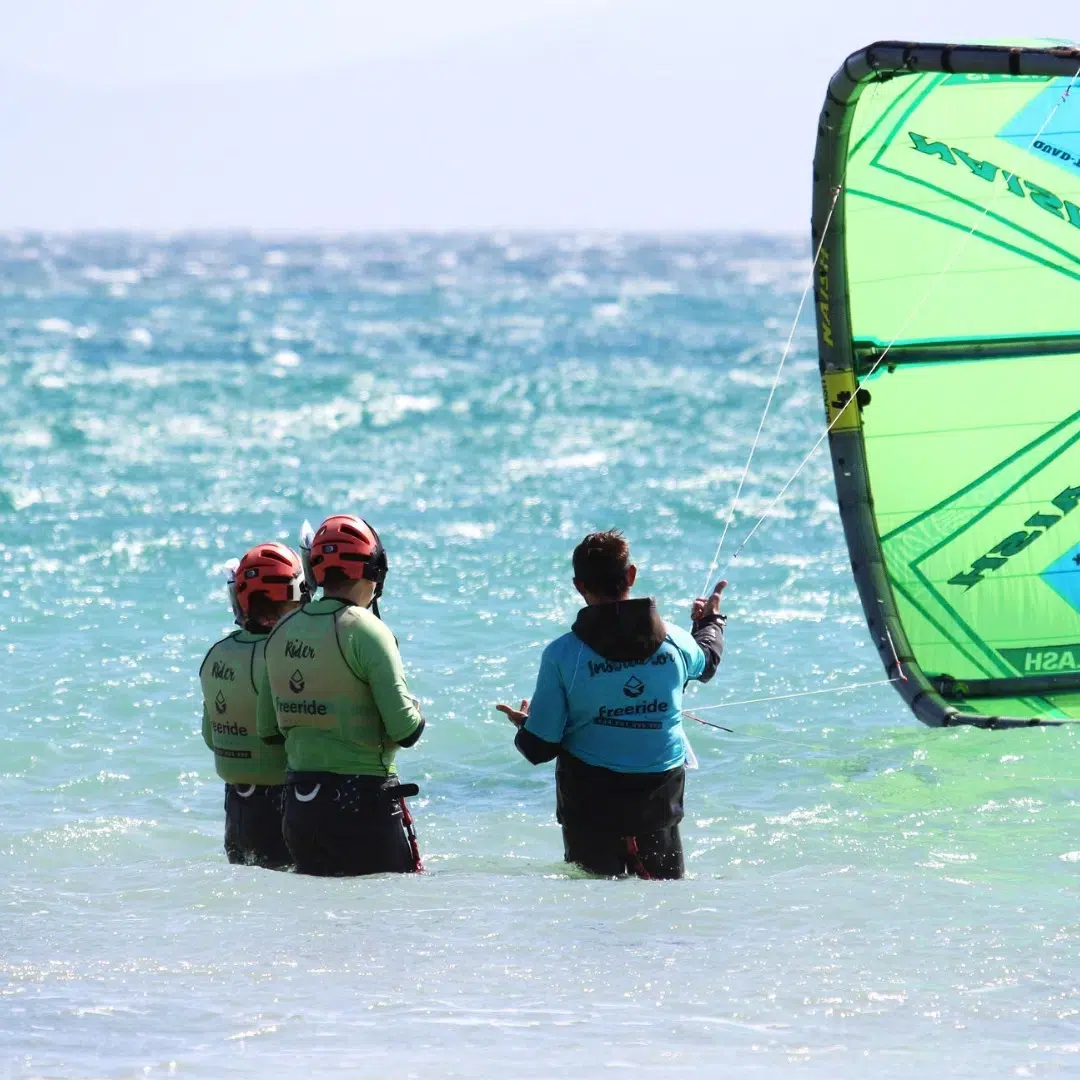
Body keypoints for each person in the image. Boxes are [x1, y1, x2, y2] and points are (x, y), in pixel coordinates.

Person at [496, 530, 725, 880]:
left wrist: (525, 724)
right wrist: (710, 621)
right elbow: (707, 661)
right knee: (664, 915)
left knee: (594, 922)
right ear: (631, 575)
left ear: (578, 585)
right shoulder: (678, 642)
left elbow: (539, 748)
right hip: (659, 808)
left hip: (590, 813)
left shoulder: (563, 654)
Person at [256, 514, 425, 876]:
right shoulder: (368, 630)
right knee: (384, 922)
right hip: (363, 807)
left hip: (301, 809)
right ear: (375, 570)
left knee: (317, 925)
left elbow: (269, 730)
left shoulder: (281, 631)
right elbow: (406, 730)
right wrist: (415, 709)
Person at [200, 541, 307, 869]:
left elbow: (210, 736)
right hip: (283, 805)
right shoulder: (284, 655)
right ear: (292, 598)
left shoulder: (216, 654)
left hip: (238, 810)